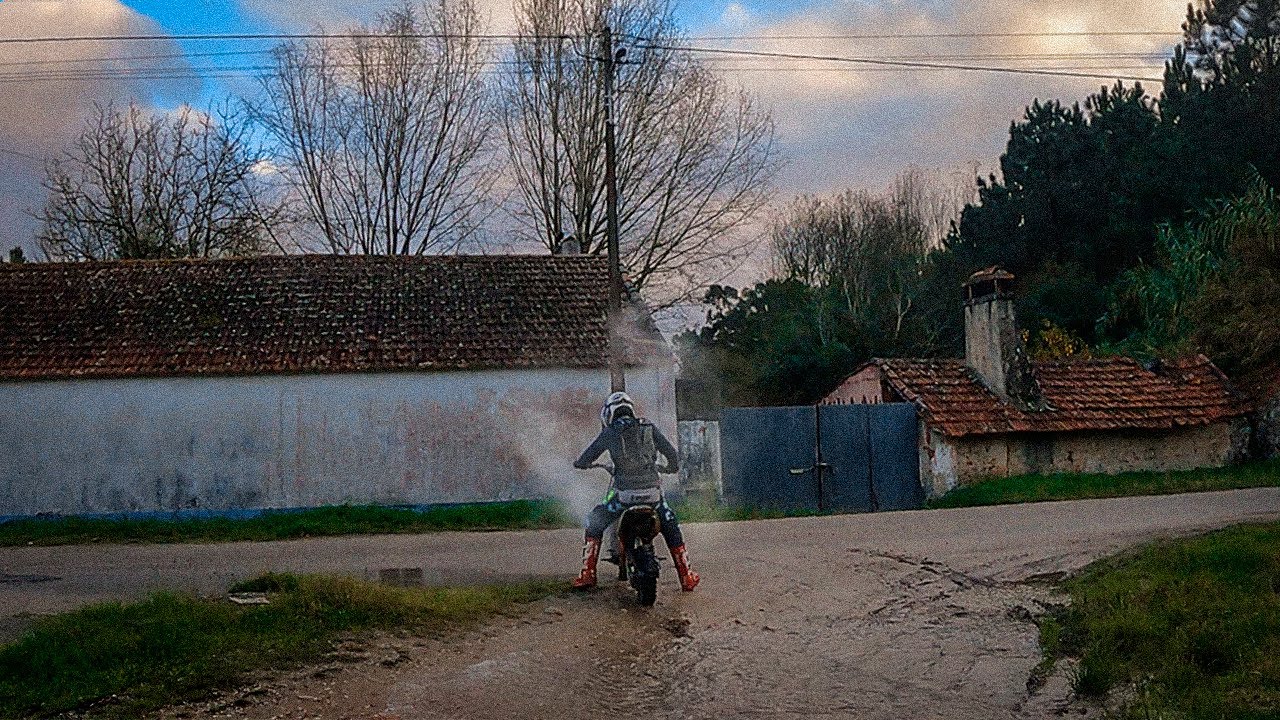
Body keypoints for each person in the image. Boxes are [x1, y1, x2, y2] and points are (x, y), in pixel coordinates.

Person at [571, 392, 700, 592]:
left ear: (609, 414)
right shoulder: (648, 427)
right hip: (653, 496)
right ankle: (686, 576)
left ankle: (587, 574)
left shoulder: (610, 432)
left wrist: (582, 464)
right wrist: (670, 468)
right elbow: (672, 455)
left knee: (594, 521)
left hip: (624, 497)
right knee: (671, 525)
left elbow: (587, 456)